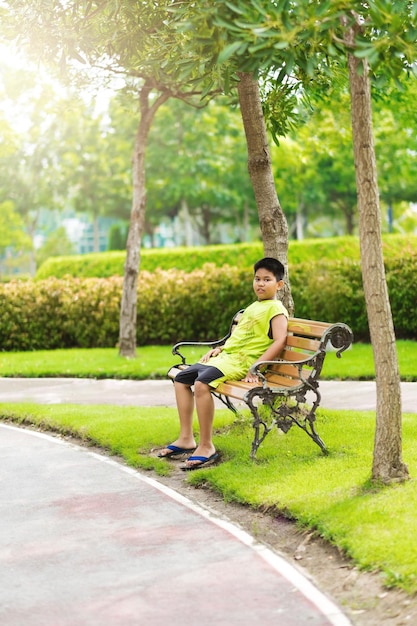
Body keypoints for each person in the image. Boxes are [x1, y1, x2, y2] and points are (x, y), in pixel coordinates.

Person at [159, 257, 289, 470]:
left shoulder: (276, 309)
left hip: (241, 363)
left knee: (201, 384)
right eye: (257, 279)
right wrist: (220, 348)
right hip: (226, 358)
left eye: (267, 279)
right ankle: (185, 439)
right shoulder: (252, 307)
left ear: (279, 284)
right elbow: (240, 337)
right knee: (181, 379)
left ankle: (206, 446)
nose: (261, 284)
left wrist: (255, 367)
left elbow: (280, 340)